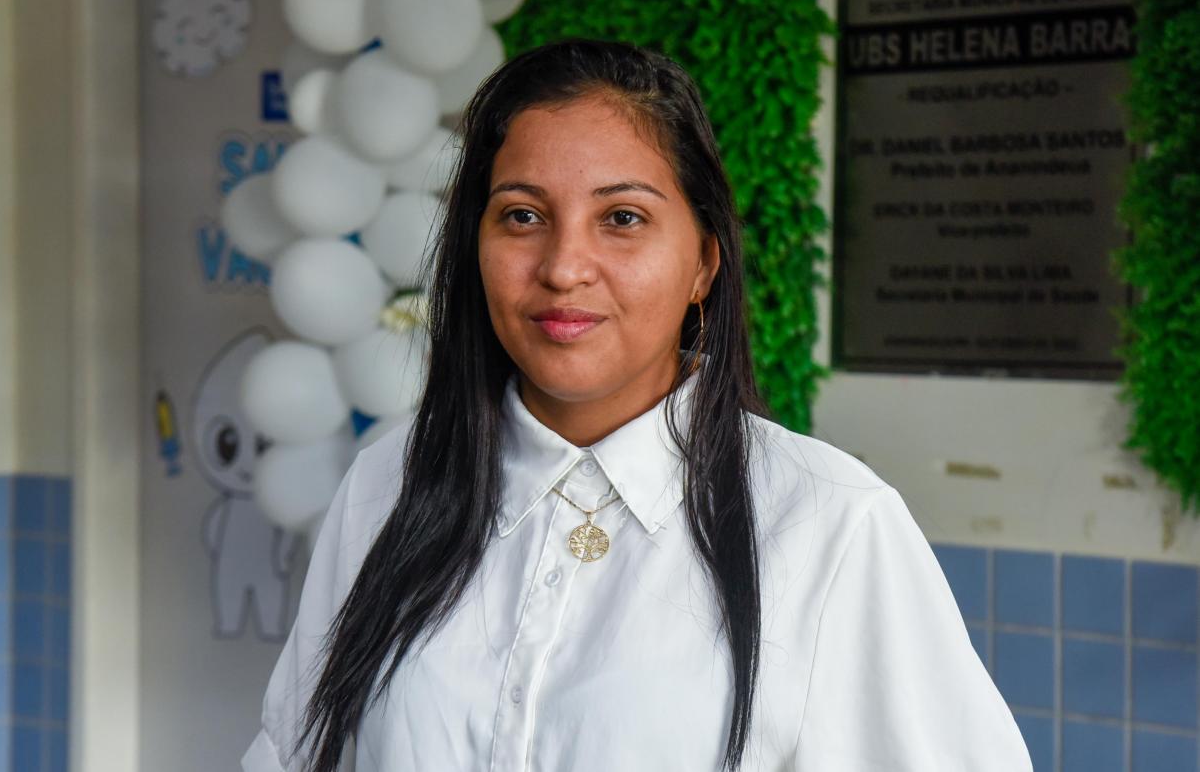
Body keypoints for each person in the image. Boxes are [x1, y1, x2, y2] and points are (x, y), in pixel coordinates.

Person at [242, 38, 1031, 772]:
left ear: (703, 263)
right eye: (522, 215)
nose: (564, 268)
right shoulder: (387, 487)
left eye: (622, 218)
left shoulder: (828, 526)